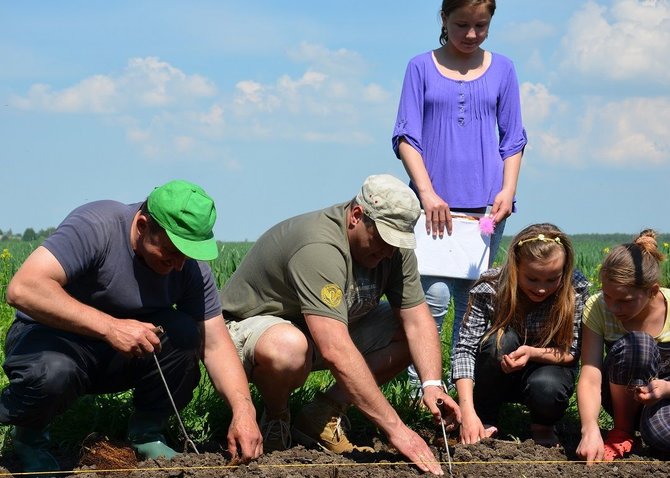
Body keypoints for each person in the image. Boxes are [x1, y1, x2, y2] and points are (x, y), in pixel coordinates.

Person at [2, 180, 262, 475]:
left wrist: (244, 411)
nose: (179, 265)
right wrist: (110, 327)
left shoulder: (187, 265)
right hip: (52, 341)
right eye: (171, 251)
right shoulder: (96, 226)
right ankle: (29, 438)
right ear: (142, 225)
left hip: (122, 354)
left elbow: (215, 343)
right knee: (53, 372)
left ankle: (148, 433)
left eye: (187, 254)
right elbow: (22, 289)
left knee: (185, 331)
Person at [221, 174, 461, 476]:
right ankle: (277, 415)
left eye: (397, 243)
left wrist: (431, 385)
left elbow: (417, 320)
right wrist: (396, 429)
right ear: (357, 216)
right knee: (289, 347)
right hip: (251, 331)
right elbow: (335, 349)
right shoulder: (319, 245)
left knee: (406, 333)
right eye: (383, 240)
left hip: (322, 329)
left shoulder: (394, 252)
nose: (388, 251)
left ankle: (321, 414)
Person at [392, 0, 527, 392]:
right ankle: (423, 395)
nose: (471, 34)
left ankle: (464, 396)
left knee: (473, 310)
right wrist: (427, 193)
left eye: (480, 26)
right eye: (462, 24)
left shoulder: (503, 68)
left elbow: (514, 137)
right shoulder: (420, 67)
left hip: (487, 209)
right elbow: (405, 137)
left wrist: (508, 188)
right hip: (431, 209)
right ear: (444, 20)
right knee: (431, 303)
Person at [452, 223, 590, 446]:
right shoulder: (491, 286)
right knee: (500, 341)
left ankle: (543, 424)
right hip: (497, 373)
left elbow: (571, 352)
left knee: (547, 385)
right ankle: (484, 416)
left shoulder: (575, 288)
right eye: (532, 279)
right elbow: (465, 349)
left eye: (552, 279)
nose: (542, 289)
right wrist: (467, 411)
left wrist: (532, 353)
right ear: (515, 267)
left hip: (547, 371)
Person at [576, 230, 670, 464]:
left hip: (665, 395)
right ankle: (622, 430)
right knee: (639, 344)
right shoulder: (597, 307)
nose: (613, 307)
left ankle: (648, 428)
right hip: (620, 396)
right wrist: (589, 428)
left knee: (662, 435)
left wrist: (667, 389)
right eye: (607, 295)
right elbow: (590, 374)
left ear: (653, 291)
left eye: (625, 301)